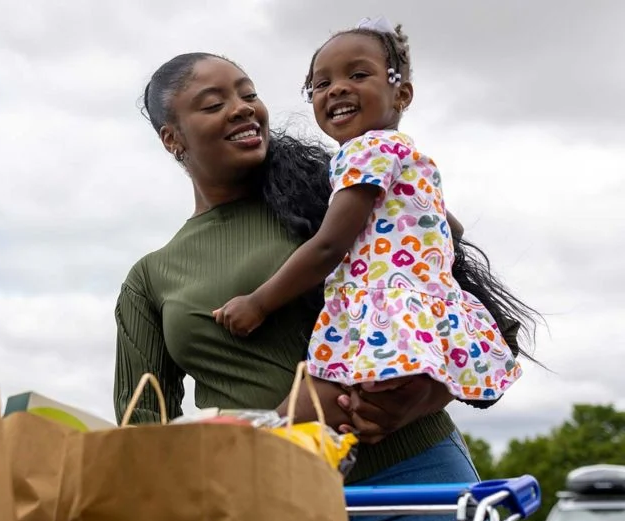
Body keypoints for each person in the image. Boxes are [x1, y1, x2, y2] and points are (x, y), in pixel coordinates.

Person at [113, 47, 539, 521]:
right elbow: (138, 432)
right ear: (172, 138)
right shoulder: (151, 277)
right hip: (265, 509)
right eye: (213, 104)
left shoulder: (346, 199)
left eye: (249, 95)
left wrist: (425, 394)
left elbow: (489, 334)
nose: (242, 108)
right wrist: (268, 431)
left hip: (413, 485)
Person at [211, 16, 524, 414]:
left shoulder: (364, 152)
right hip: (424, 323)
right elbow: (451, 227)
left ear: (402, 95)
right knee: (325, 427)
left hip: (384, 320)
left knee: (286, 428)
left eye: (358, 74)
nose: (338, 88)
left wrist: (258, 303)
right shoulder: (406, 154)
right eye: (321, 84)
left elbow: (328, 246)